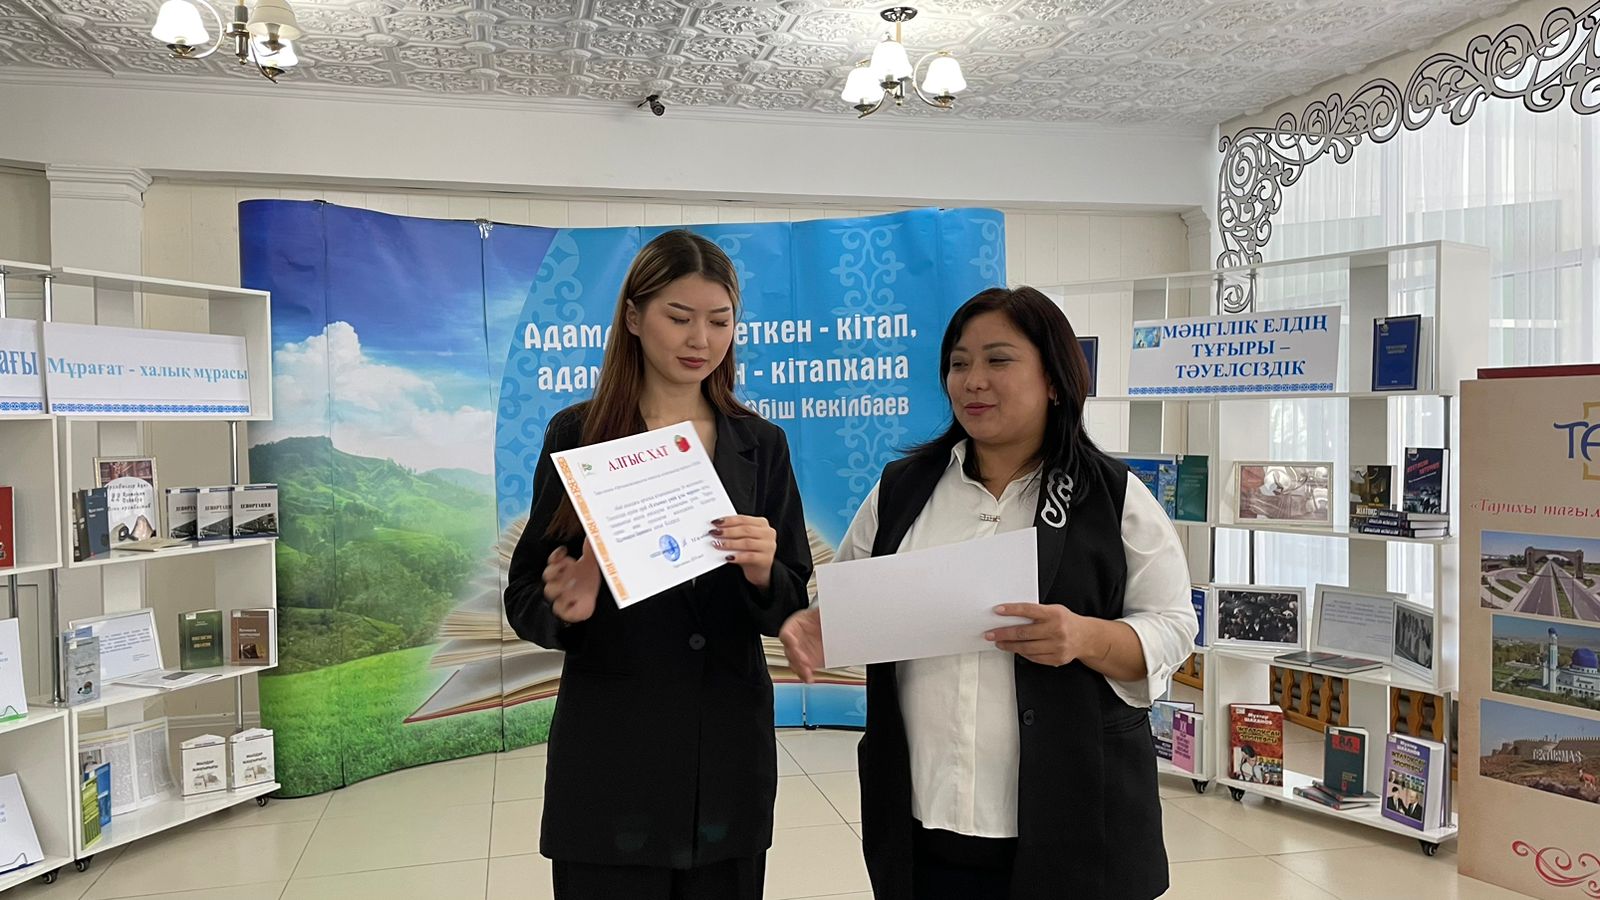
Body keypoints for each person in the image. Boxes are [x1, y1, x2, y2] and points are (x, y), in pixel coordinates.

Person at [779, 286, 1197, 900]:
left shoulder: (1112, 497)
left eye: (998, 360)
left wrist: (1084, 636)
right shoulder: (902, 489)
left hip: (1075, 822)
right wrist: (817, 623)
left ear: (1053, 379)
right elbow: (847, 599)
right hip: (925, 817)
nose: (973, 380)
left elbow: (1174, 626)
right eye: (959, 363)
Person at [503, 229, 812, 900]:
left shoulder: (761, 444)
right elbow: (525, 591)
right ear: (634, 318)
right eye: (679, 317)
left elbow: (792, 599)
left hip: (725, 754)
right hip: (614, 755)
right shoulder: (578, 435)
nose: (701, 339)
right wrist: (567, 605)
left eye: (720, 321)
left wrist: (765, 572)